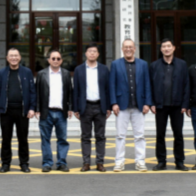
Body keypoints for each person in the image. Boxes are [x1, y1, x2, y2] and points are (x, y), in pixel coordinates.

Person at [0, 47, 37, 173]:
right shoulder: (1, 73)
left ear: (20, 57)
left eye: (16, 55)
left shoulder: (27, 72)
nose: (14, 58)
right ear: (7, 58)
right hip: (6, 111)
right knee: (6, 139)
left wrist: (32, 108)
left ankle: (24, 163)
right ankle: (5, 163)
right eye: (11, 56)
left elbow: (32, 91)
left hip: (22, 111)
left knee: (23, 139)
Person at [109, 39, 152, 173]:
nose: (128, 49)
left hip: (139, 106)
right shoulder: (115, 64)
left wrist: (147, 103)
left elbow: (147, 84)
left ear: (135, 49)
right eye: (126, 47)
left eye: (130, 47)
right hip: (121, 106)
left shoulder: (143, 64)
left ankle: (140, 161)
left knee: (139, 136)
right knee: (120, 136)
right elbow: (112, 85)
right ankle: (119, 162)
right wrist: (113, 103)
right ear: (122, 49)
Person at [149, 39, 190, 171]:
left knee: (178, 134)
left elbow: (186, 85)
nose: (166, 49)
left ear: (173, 48)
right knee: (160, 134)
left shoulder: (182, 64)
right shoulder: (154, 65)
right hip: (160, 105)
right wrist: (151, 103)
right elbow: (150, 85)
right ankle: (161, 161)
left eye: (168, 46)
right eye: (164, 47)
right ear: (161, 49)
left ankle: (179, 161)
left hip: (177, 106)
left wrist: (185, 104)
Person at [72, 44, 111, 172]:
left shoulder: (104, 69)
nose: (92, 53)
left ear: (98, 54)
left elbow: (108, 89)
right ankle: (86, 163)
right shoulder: (79, 69)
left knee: (100, 136)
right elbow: (76, 90)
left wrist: (108, 107)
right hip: (85, 106)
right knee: (85, 136)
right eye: (90, 51)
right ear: (86, 53)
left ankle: (100, 162)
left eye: (95, 51)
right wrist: (76, 108)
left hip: (100, 106)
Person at [35, 49, 73, 173]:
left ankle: (62, 163)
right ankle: (47, 163)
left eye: (58, 58)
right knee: (45, 139)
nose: (55, 60)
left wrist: (70, 108)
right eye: (53, 58)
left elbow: (70, 92)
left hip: (61, 112)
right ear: (48, 60)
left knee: (62, 139)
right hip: (46, 112)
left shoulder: (66, 74)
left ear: (61, 60)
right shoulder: (41, 74)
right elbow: (37, 93)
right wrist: (37, 109)